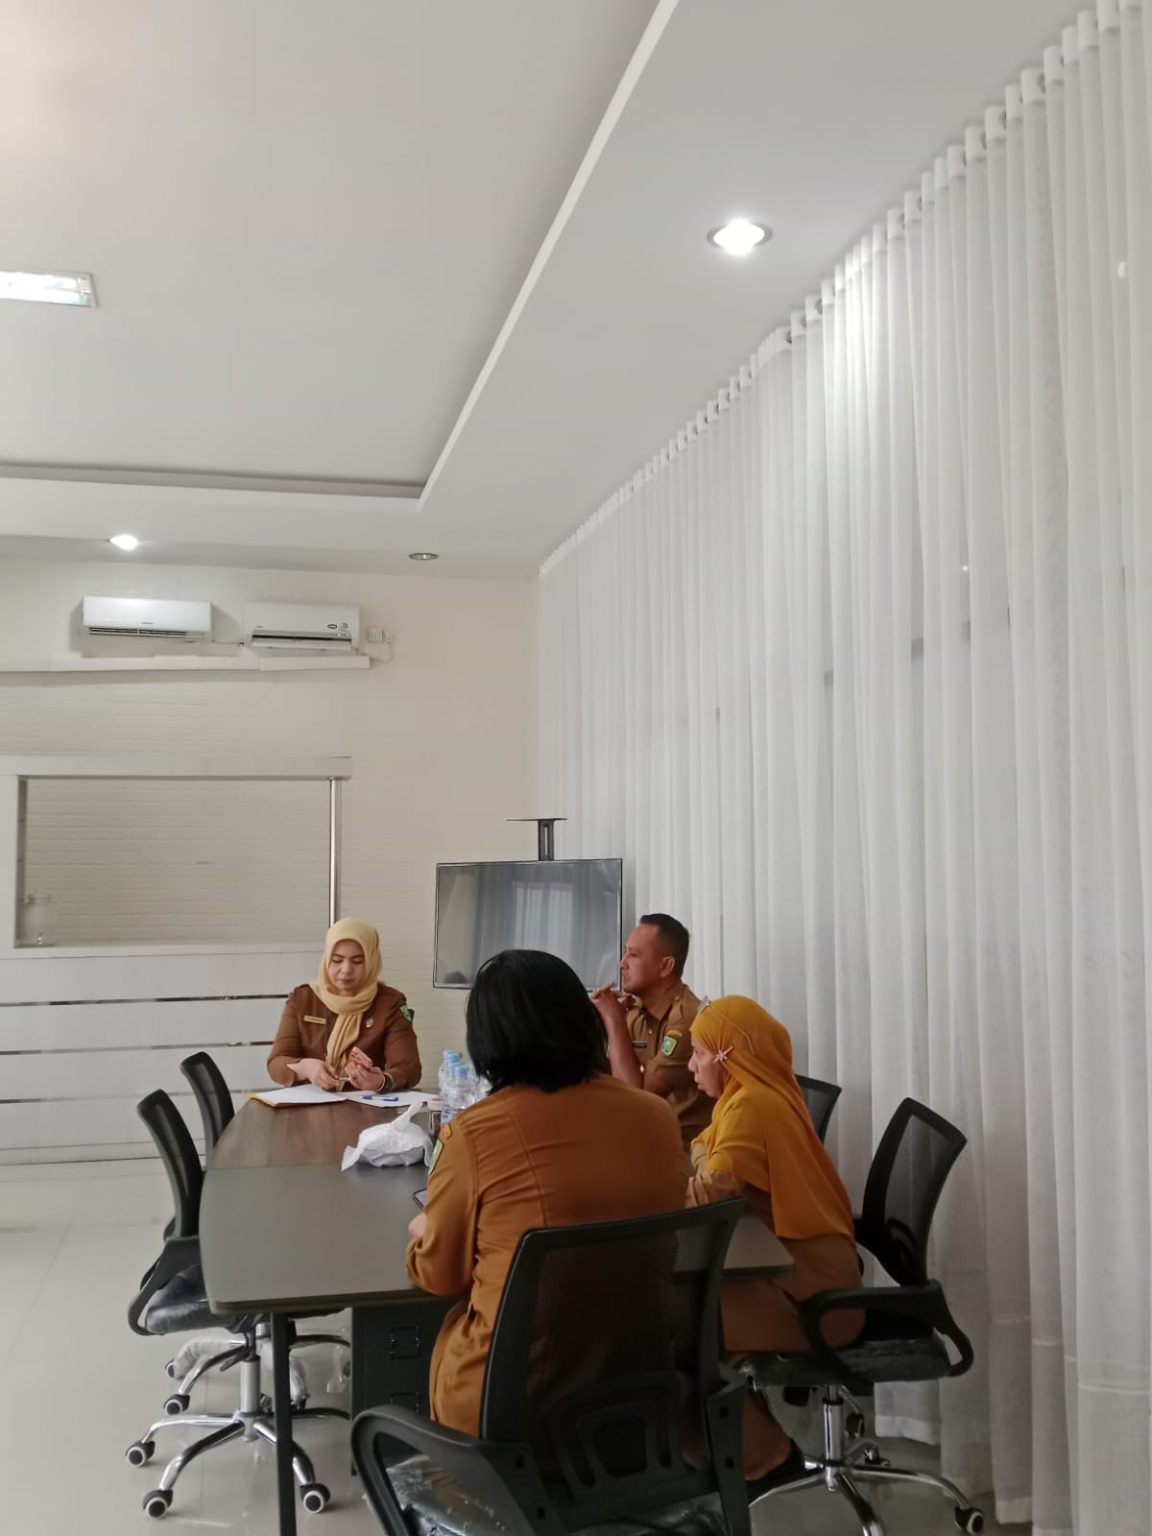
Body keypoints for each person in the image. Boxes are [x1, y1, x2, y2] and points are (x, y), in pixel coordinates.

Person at [406, 948, 686, 1435]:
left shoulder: (474, 1134)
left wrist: (423, 1229)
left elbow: (439, 1276)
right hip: (633, 1390)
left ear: (488, 1039)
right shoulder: (657, 1117)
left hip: (511, 1404)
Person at [685, 995, 862, 1495]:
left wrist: (685, 1171)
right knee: (683, 1312)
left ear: (729, 1057)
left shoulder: (751, 1106)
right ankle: (742, 1442)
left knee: (680, 1327)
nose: (691, 1065)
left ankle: (768, 1458)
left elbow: (709, 1194)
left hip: (816, 1303)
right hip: (799, 1274)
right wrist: (701, 1161)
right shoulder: (746, 1097)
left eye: (700, 1053)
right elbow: (701, 1149)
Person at [591, 913, 710, 1144]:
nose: (622, 963)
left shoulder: (687, 1020)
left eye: (633, 955)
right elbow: (603, 1079)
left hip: (684, 1147)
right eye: (625, 952)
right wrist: (598, 1021)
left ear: (665, 966)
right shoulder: (634, 1009)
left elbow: (637, 1102)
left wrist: (615, 1022)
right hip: (647, 1137)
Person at [266, 917, 420, 1091]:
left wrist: (381, 1081)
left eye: (357, 961)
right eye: (337, 960)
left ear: (372, 961)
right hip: (310, 1103)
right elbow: (276, 1063)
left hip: (365, 1104)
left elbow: (409, 1067)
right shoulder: (303, 999)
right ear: (326, 960)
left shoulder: (389, 1003)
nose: (346, 970)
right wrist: (305, 1068)